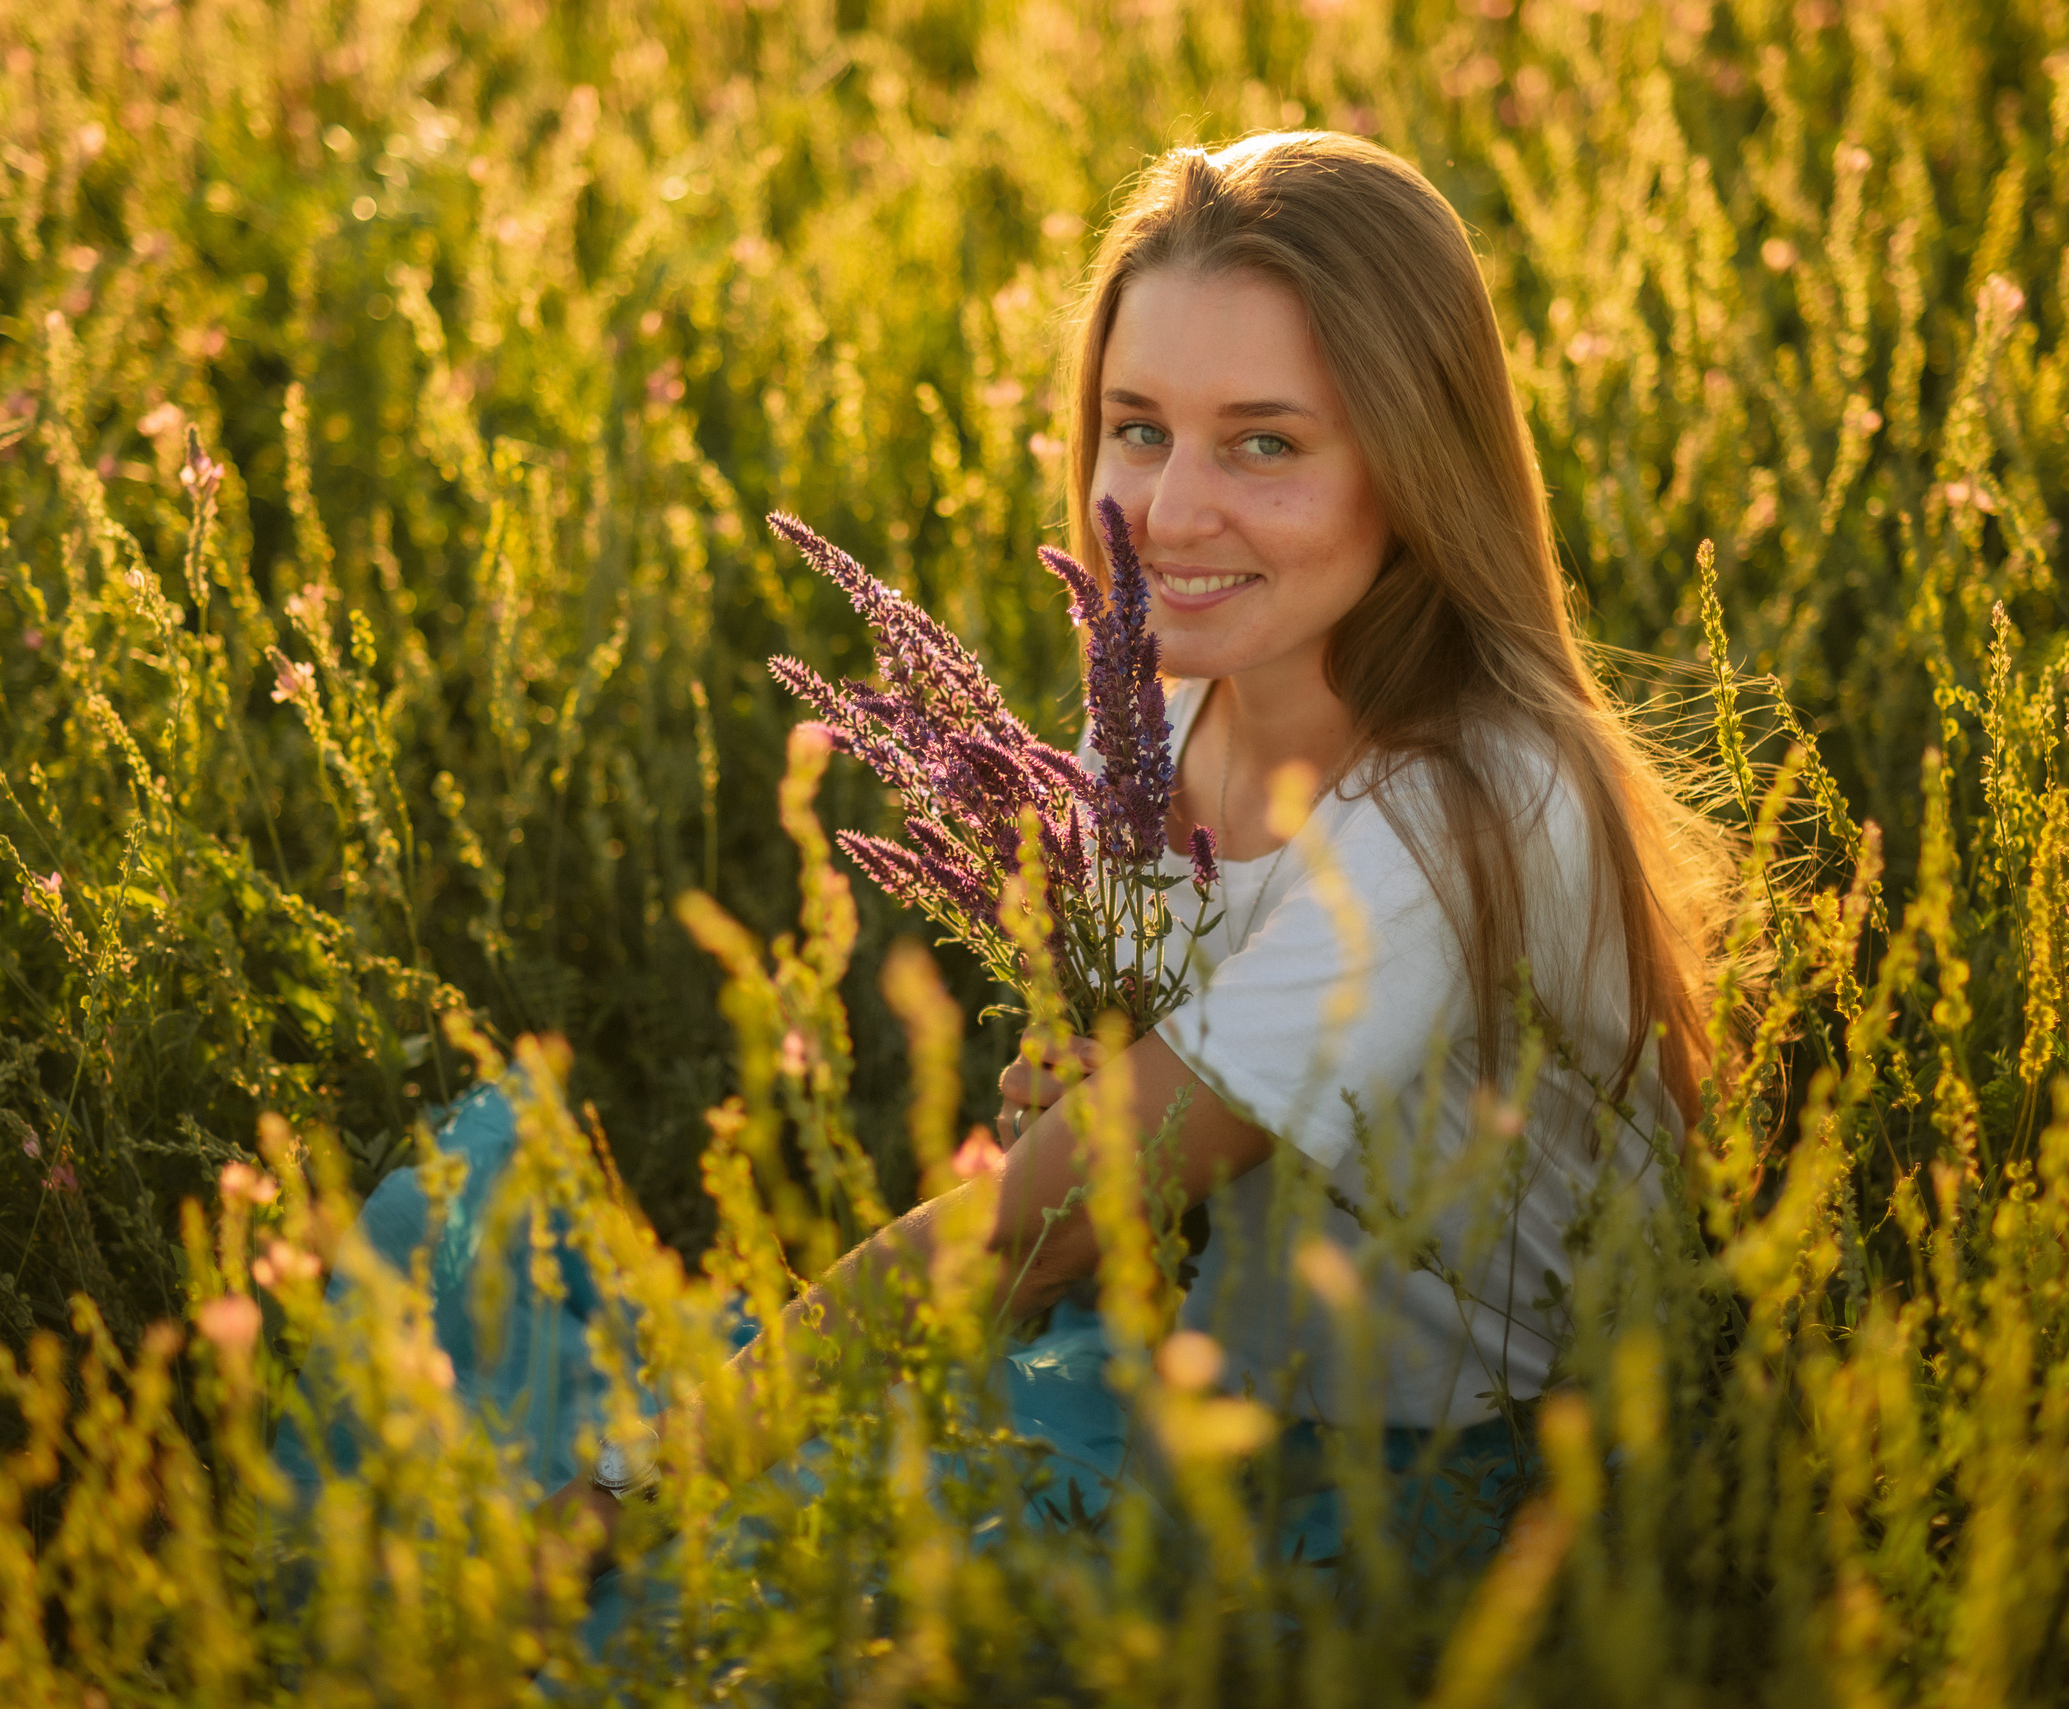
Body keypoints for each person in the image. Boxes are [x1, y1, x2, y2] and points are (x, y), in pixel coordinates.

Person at [295, 130, 1732, 1607]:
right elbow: (1094, 1176)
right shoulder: (1169, 707)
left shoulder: (1455, 816)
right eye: (1138, 427)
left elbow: (1023, 1235)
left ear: (1415, 465)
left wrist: (635, 1488)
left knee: (746, 1569)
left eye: (1267, 441)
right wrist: (1107, 1086)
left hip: (1427, 1495)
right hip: (1197, 1368)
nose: (1171, 512)